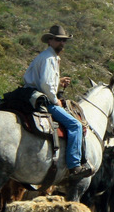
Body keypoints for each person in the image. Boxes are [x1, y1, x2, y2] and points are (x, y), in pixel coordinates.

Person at [23, 24, 93, 179]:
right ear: (50, 40)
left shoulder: (47, 57)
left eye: (64, 41)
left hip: (33, 94)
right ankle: (74, 165)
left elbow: (44, 80)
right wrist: (56, 101)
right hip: (43, 99)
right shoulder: (49, 59)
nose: (62, 43)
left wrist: (58, 81)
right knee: (76, 125)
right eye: (59, 40)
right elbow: (46, 85)